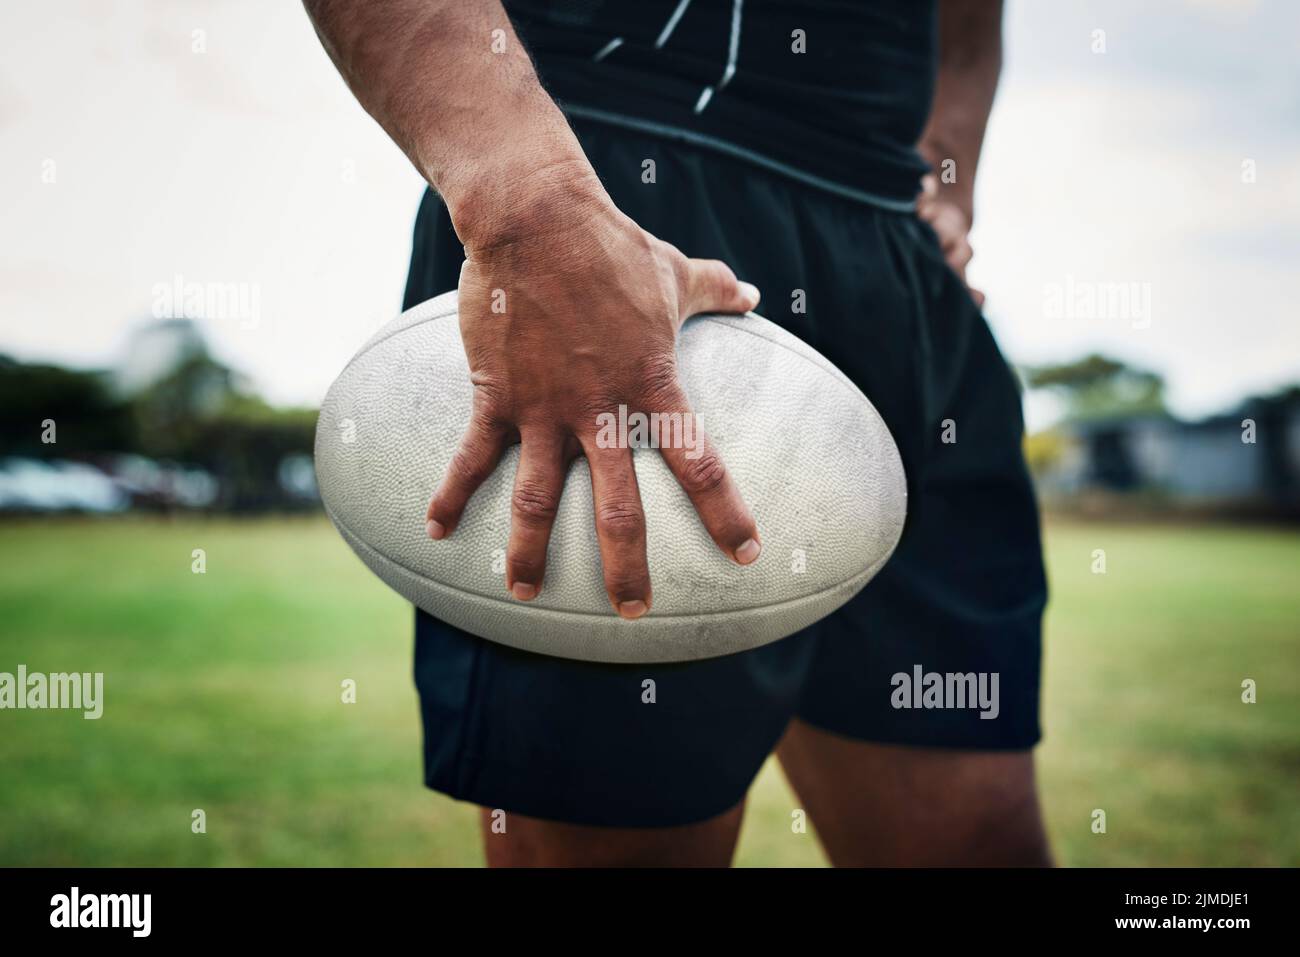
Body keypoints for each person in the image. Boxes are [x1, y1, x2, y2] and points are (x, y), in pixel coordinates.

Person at [304, 0, 1052, 867]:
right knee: (621, 842)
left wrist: (946, 176)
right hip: (605, 214)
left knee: (982, 838)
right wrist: (527, 204)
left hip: (894, 258)